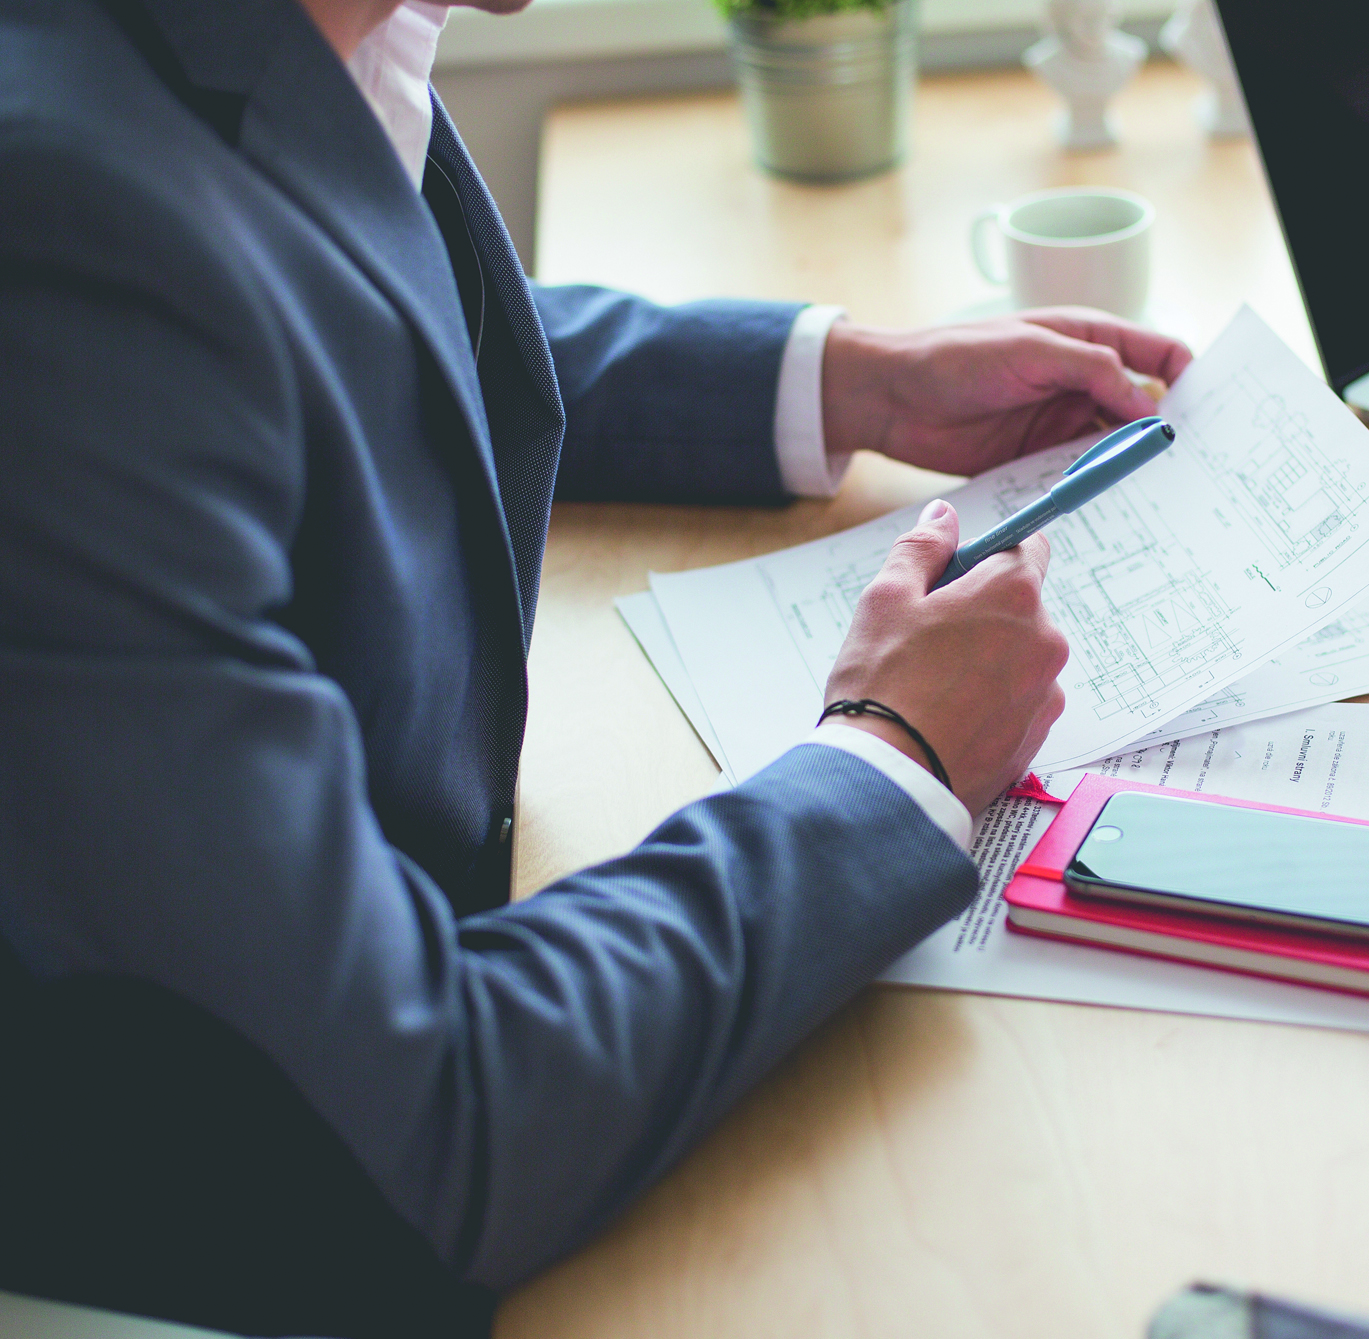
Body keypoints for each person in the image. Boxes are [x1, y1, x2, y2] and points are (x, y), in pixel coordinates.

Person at [0, 0, 1192, 1333]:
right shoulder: (61, 240)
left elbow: (341, 315)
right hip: (244, 1230)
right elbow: (448, 1109)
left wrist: (847, 383)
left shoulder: (276, 43)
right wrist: (892, 755)